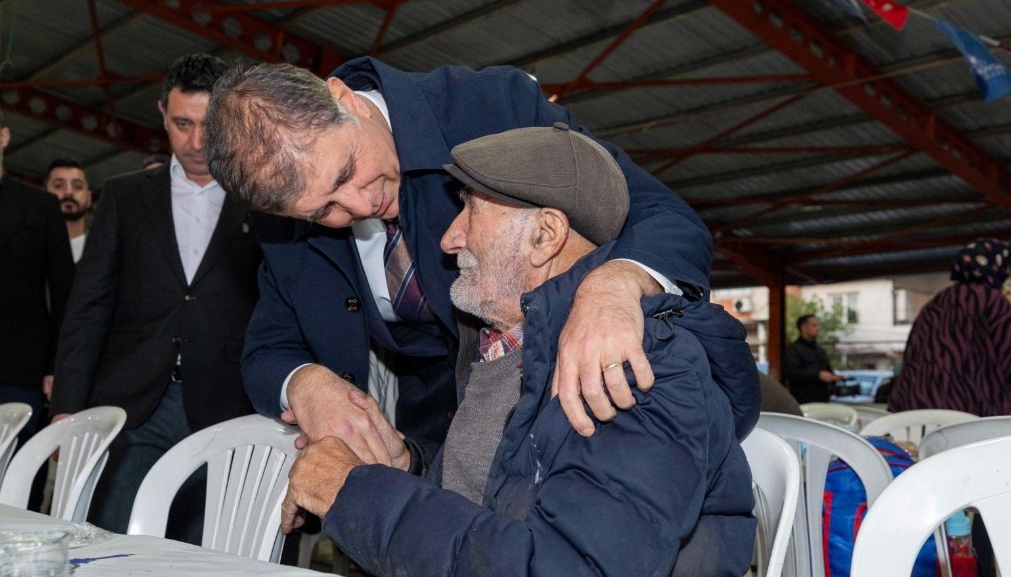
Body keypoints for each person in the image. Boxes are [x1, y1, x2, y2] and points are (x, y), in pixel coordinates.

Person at [279, 124, 758, 577]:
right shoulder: (505, 348)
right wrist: (407, 469)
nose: (448, 238)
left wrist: (354, 492)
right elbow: (504, 501)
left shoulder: (631, 363)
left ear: (545, 235)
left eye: (470, 210)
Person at [203, 59, 736, 463]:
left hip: (561, 422)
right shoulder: (286, 220)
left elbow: (664, 215)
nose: (361, 206)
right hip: (431, 445)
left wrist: (614, 286)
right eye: (325, 210)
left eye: (346, 172)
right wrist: (304, 382)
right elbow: (269, 347)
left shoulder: (489, 107)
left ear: (346, 99)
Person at [49, 54, 263, 541]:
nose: (195, 142)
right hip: (132, 405)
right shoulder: (124, 196)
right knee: (110, 545)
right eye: (182, 124)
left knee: (200, 556)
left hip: (224, 407)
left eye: (209, 125)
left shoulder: (261, 200)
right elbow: (90, 305)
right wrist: (66, 404)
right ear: (162, 112)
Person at [0, 112, 76, 506]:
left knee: (18, 486)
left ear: (5, 136)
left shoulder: (40, 207)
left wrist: (57, 368)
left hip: (22, 371)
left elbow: (64, 293)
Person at [888, 238, 1011, 417]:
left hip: (915, 409)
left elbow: (911, 353)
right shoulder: (992, 301)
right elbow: (1009, 357)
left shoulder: (936, 302)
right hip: (968, 411)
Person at [783, 314, 843, 404]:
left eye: (818, 325)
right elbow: (792, 374)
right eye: (814, 325)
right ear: (803, 327)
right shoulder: (793, 350)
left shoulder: (820, 351)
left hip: (823, 400)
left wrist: (833, 378)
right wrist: (817, 375)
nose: (818, 328)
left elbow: (828, 370)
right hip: (803, 401)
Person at [44, 158, 93, 263]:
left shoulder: (107, 254)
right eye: (58, 186)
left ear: (89, 199)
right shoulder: (23, 249)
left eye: (77, 186)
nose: (68, 192)